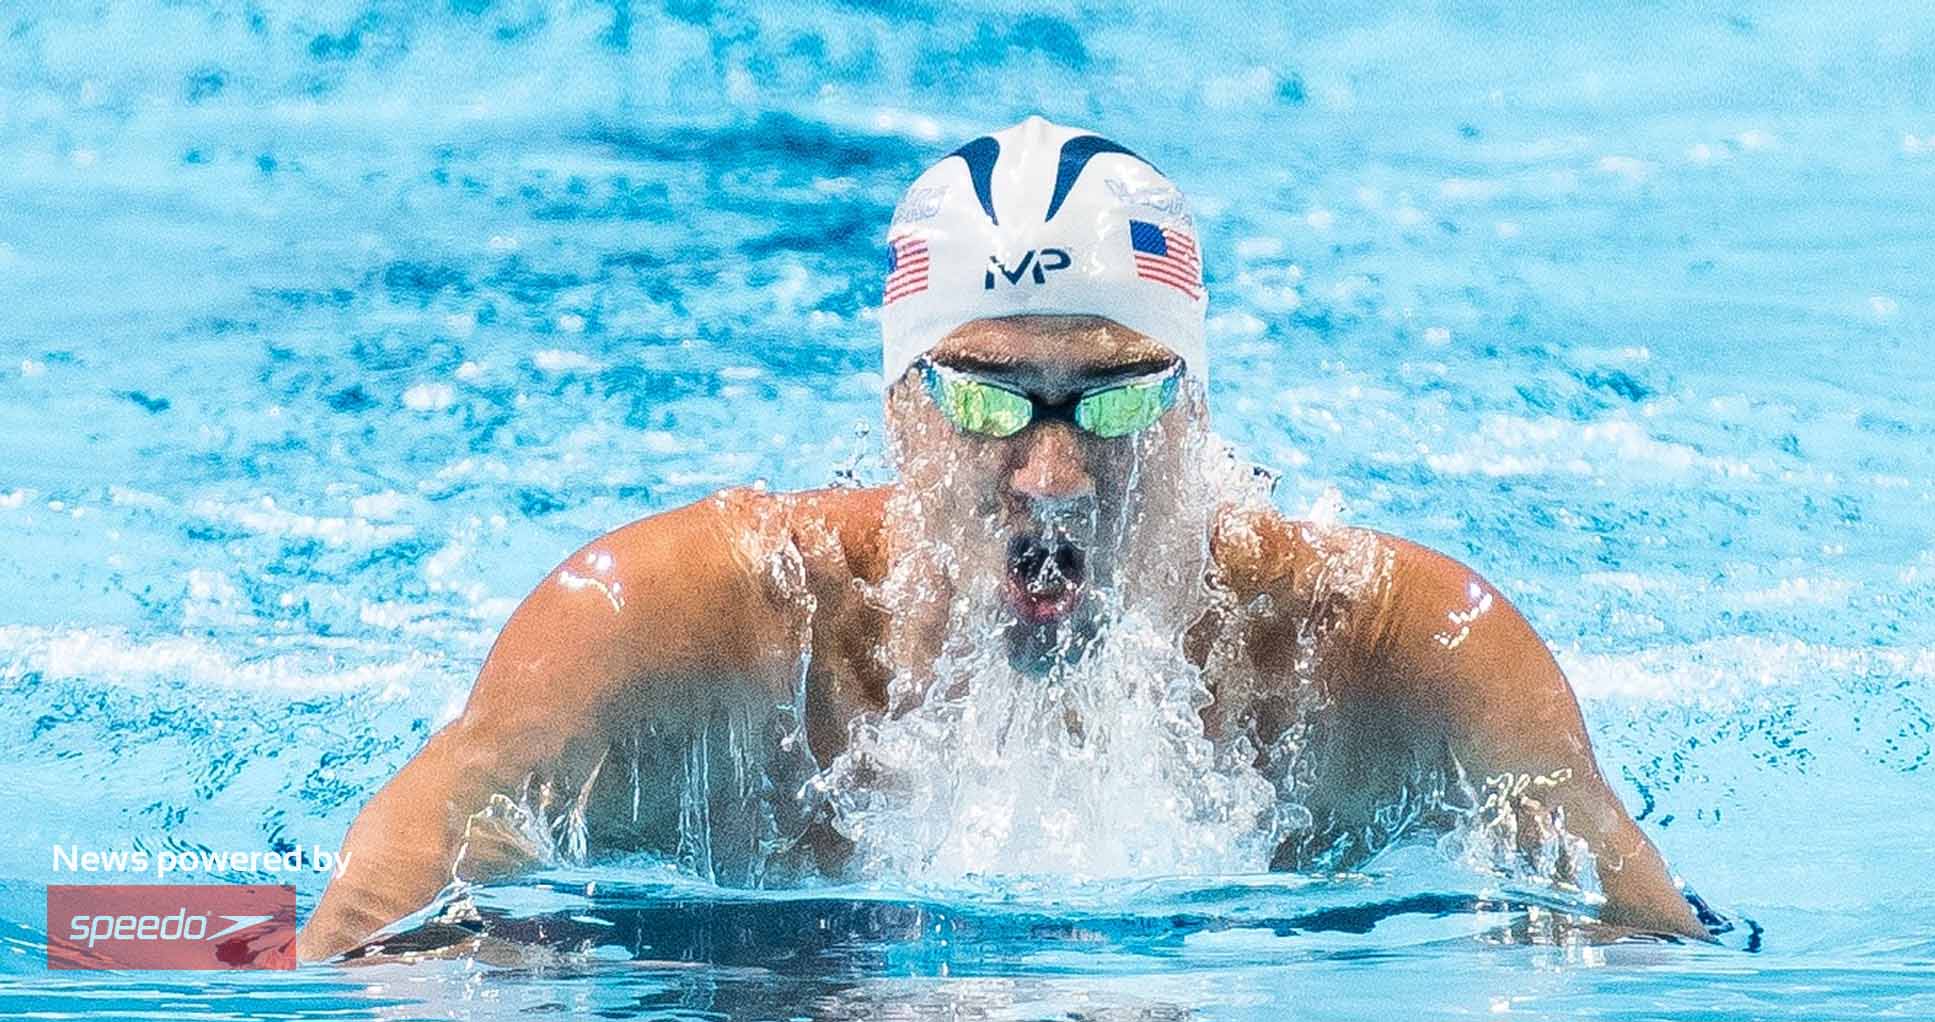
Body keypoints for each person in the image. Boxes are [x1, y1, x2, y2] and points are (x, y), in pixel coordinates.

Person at [300, 116, 1710, 961]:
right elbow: (362, 922)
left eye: (1117, 400)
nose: (1053, 473)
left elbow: (1653, 958)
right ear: (901, 411)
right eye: (985, 399)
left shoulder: (1398, 653)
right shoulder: (682, 624)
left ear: (1197, 411)